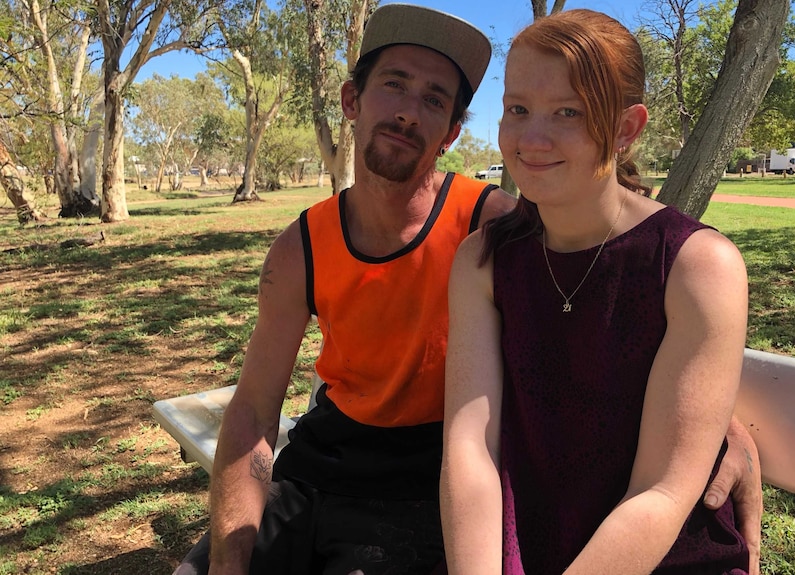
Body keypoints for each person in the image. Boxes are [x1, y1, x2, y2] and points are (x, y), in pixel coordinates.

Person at [174, 4, 761, 575]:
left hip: (432, 488)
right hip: (335, 468)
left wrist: (715, 424)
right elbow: (254, 408)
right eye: (394, 84)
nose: (408, 112)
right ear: (352, 100)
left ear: (454, 131)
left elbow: (628, 337)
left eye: (433, 100)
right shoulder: (323, 248)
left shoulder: (487, 224)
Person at [441, 9, 755, 575]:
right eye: (517, 109)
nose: (531, 138)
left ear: (625, 127)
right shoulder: (483, 261)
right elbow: (471, 455)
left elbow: (661, 492)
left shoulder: (696, 267)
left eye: (569, 111)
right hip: (527, 551)